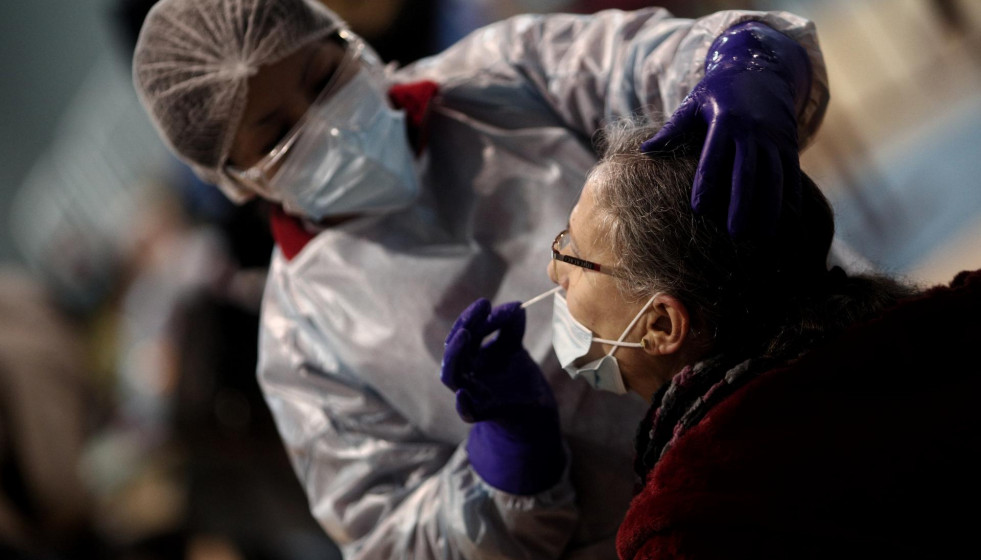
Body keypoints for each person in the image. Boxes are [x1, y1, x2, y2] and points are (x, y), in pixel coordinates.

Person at [132, 0, 829, 557]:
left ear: (346, 40)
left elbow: (673, 56)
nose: (326, 124)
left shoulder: (503, 74)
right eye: (277, 134)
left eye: (321, 78)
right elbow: (393, 539)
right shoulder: (303, 344)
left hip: (799, 413)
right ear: (235, 180)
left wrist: (748, 68)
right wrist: (509, 459)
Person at [441, 118, 981, 558]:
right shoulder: (950, 326)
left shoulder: (687, 528)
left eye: (575, 257)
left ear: (661, 325)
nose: (553, 272)